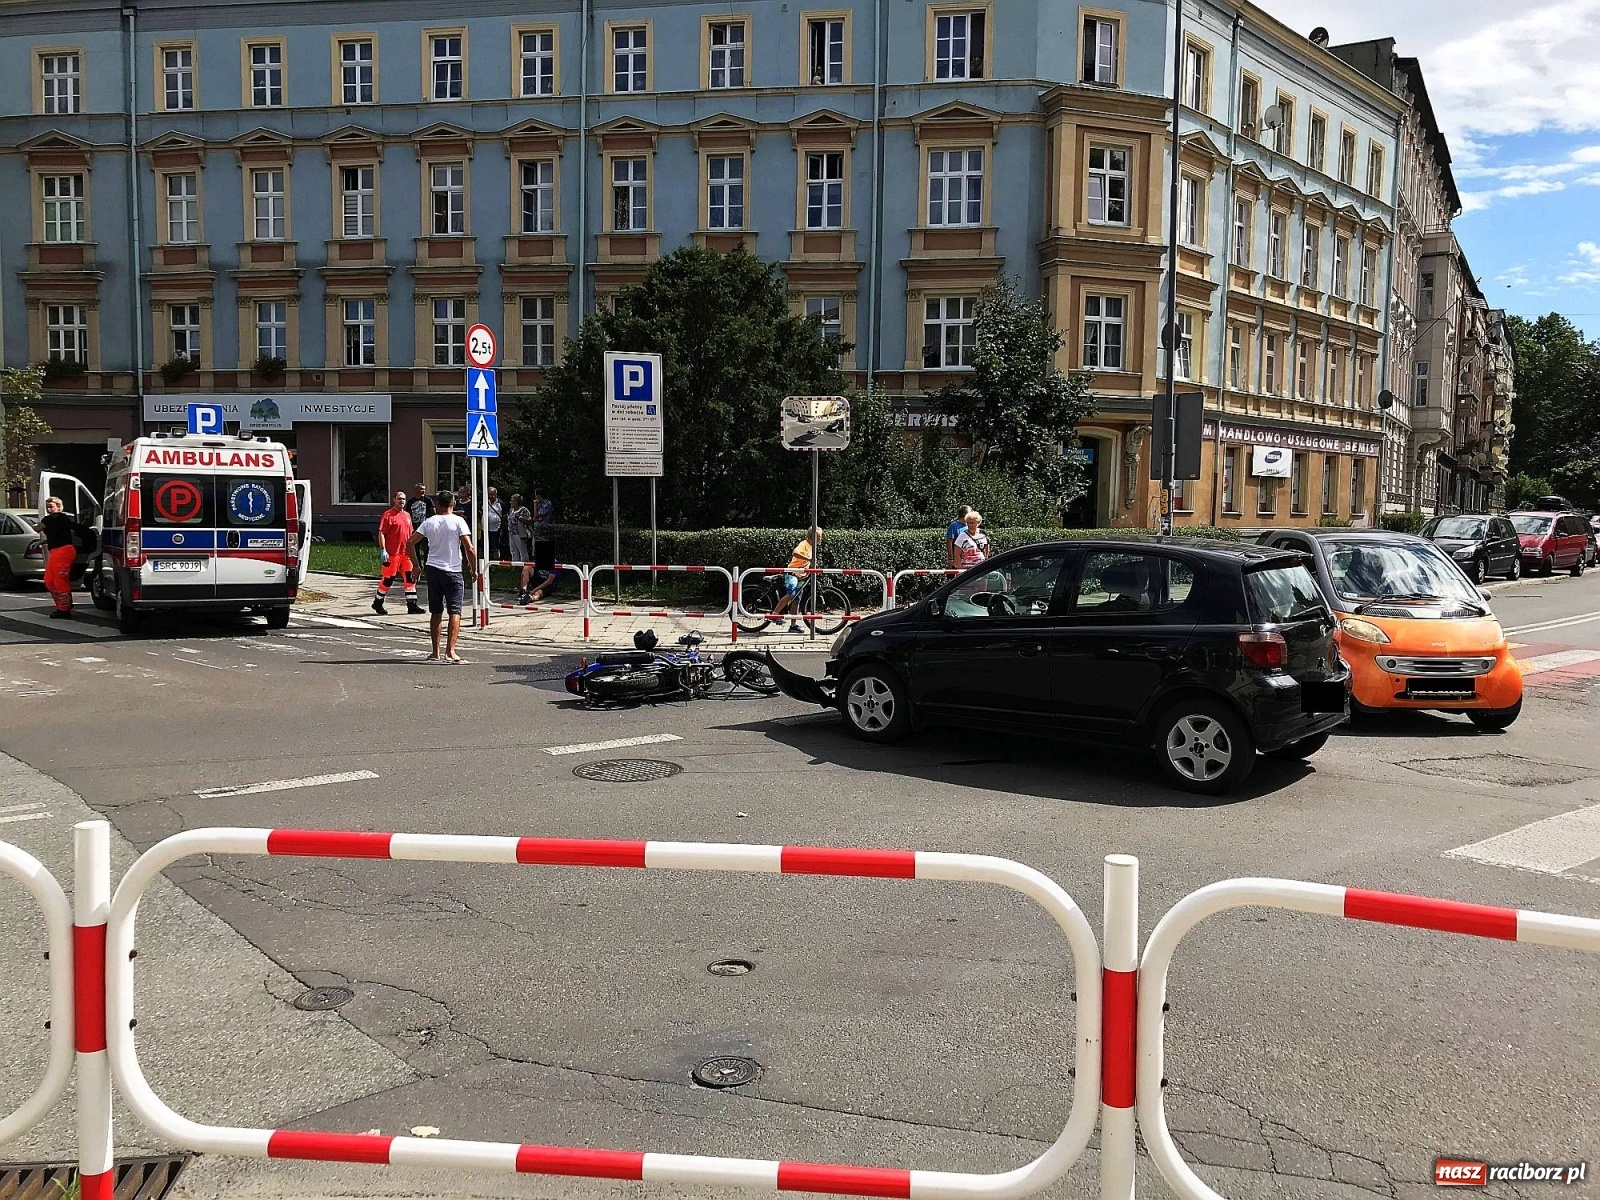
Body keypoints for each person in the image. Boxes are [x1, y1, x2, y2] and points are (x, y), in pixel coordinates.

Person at [407, 492, 477, 664]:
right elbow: (470, 548)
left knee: (436, 611)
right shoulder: (458, 521)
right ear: (453, 503)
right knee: (455, 610)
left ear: (437, 504)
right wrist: (473, 569)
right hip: (453, 570)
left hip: (433, 569)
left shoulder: (430, 522)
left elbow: (410, 542)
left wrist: (416, 566)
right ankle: (451, 652)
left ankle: (435, 652)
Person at [372, 491, 422, 616]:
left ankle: (412, 605)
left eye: (404, 499)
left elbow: (410, 534)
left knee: (410, 579)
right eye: (399, 499)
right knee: (388, 579)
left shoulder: (407, 515)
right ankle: (378, 602)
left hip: (406, 554)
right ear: (394, 499)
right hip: (392, 553)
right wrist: (383, 549)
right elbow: (382, 533)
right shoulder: (388, 515)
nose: (402, 501)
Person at [769, 526, 821, 634]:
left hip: (801, 575)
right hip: (792, 572)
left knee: (797, 600)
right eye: (819, 536)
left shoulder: (812, 547)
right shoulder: (804, 544)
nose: (821, 538)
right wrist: (809, 559)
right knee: (791, 593)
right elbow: (795, 553)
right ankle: (774, 614)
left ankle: (793, 625)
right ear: (814, 536)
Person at [37, 497, 80, 620]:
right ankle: (63, 605)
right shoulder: (61, 519)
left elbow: (37, 528)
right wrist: (45, 540)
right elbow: (57, 535)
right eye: (48, 507)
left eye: (51, 506)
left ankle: (64, 609)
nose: (49, 509)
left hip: (63, 551)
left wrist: (35, 524)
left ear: (59, 506)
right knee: (49, 580)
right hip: (57, 550)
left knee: (60, 580)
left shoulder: (54, 518)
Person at [518, 489, 558, 604]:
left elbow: (536, 516)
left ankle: (532, 595)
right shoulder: (543, 504)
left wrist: (535, 506)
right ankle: (523, 591)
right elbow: (535, 519)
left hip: (544, 532)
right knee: (532, 563)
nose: (535, 499)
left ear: (539, 496)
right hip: (539, 532)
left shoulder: (546, 504)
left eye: (536, 497)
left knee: (545, 555)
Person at [407, 484, 436, 567]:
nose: (423, 491)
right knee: (415, 548)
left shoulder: (428, 500)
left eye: (424, 489)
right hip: (415, 528)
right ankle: (418, 566)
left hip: (426, 529)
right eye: (421, 489)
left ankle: (427, 567)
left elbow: (434, 513)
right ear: (416, 490)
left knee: (426, 548)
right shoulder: (411, 502)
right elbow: (408, 515)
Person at [507, 493, 531, 566]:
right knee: (513, 551)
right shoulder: (511, 510)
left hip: (520, 533)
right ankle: (515, 566)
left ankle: (524, 566)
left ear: (517, 502)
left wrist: (520, 517)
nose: (510, 502)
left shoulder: (524, 510)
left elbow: (529, 521)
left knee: (522, 551)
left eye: (512, 501)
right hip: (511, 533)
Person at [946, 504, 971, 570]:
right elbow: (949, 542)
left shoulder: (969, 525)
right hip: (957, 556)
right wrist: (951, 558)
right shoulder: (954, 525)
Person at [485, 486, 505, 561]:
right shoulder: (484, 502)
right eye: (489, 494)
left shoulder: (501, 504)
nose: (490, 496)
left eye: (492, 494)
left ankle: (496, 561)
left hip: (497, 529)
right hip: (486, 529)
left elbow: (504, 515)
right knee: (486, 546)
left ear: (496, 494)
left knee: (496, 546)